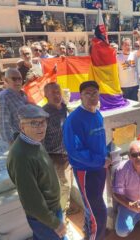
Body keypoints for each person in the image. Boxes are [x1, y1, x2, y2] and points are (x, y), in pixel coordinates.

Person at [6, 104, 67, 240]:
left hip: (50, 211)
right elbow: (31, 201)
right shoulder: (21, 156)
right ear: (22, 127)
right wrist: (55, 223)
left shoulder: (33, 141)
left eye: (43, 122)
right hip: (44, 217)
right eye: (34, 123)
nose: (41, 127)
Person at [63, 81, 110, 240]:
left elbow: (99, 141)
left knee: (94, 205)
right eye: (87, 93)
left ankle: (91, 231)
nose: (91, 97)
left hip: (100, 167)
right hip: (86, 171)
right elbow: (75, 150)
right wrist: (99, 161)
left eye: (94, 93)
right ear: (81, 96)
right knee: (98, 211)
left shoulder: (97, 113)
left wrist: (106, 154)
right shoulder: (74, 119)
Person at [43, 83, 78, 216]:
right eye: (53, 93)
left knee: (68, 184)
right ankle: (61, 216)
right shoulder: (44, 113)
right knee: (65, 186)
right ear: (46, 95)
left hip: (68, 154)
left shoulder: (64, 107)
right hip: (55, 156)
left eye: (58, 92)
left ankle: (66, 207)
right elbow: (40, 138)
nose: (57, 95)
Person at [0, 68, 28, 145]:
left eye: (20, 79)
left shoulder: (23, 94)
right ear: (6, 80)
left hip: (29, 135)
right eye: (14, 79)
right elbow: (4, 123)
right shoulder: (5, 97)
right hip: (18, 138)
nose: (18, 81)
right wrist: (11, 144)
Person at [117, 30, 140, 101]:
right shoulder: (117, 58)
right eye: (125, 45)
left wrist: (139, 36)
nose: (128, 47)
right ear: (122, 46)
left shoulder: (135, 54)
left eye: (129, 45)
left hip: (134, 86)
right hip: (123, 87)